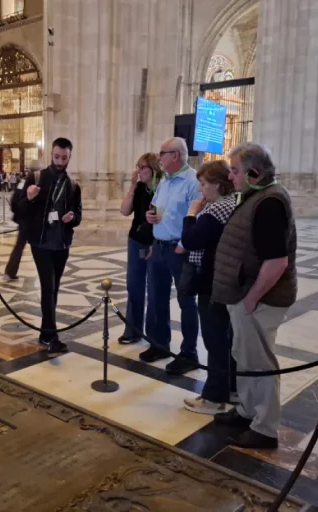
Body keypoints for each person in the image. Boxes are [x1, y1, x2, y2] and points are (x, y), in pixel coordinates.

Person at [212, 142, 297, 450]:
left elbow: (277, 261)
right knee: (244, 355)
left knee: (260, 363)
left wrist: (252, 298)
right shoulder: (257, 196)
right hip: (246, 294)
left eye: (235, 171)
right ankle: (248, 411)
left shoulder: (269, 202)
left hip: (259, 299)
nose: (231, 176)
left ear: (254, 172)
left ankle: (265, 428)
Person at [180, 160, 238, 415]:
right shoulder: (231, 204)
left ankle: (215, 397)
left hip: (212, 280)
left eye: (203, 184)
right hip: (225, 279)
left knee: (215, 339)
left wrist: (191, 213)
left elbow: (191, 240)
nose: (201, 189)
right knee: (226, 338)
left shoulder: (217, 210)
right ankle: (230, 387)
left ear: (216, 184)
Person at [141, 137, 202, 375]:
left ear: (176, 155)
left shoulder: (193, 182)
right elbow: (155, 208)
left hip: (179, 249)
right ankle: (160, 344)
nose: (159, 158)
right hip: (159, 246)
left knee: (187, 302)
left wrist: (183, 245)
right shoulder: (164, 182)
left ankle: (189, 353)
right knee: (157, 297)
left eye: (162, 153)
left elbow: (195, 217)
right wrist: (150, 217)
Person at [16, 138, 82, 357]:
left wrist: (72, 217)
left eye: (64, 158)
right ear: (50, 155)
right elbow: (18, 209)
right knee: (48, 286)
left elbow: (78, 214)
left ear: (69, 157)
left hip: (61, 244)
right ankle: (50, 336)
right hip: (41, 242)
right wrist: (28, 197)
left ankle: (46, 331)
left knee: (54, 287)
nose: (60, 162)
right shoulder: (36, 178)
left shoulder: (73, 185)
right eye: (56, 157)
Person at [117, 153, 162, 344]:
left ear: (153, 169)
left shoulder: (162, 189)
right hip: (136, 240)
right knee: (133, 285)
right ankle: (133, 330)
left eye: (143, 167)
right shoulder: (140, 188)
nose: (139, 171)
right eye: (138, 166)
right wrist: (133, 186)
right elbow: (125, 210)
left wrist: (155, 244)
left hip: (156, 241)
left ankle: (153, 335)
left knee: (153, 289)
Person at [4, 162, 44, 282]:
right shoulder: (34, 182)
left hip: (23, 220)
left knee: (19, 246)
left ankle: (9, 272)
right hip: (30, 220)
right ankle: (45, 275)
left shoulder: (23, 181)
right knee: (40, 248)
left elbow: (15, 198)